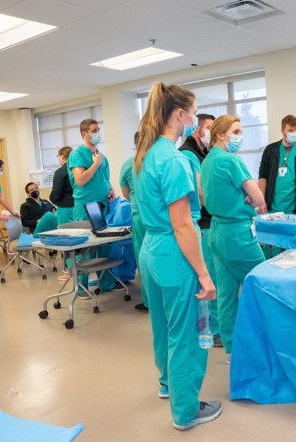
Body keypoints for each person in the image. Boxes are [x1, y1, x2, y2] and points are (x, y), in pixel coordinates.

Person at [132, 82, 221, 431]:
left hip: (151, 250)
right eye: (194, 112)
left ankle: (168, 384)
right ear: (180, 114)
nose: (197, 119)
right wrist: (204, 274)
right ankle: (186, 411)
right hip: (174, 252)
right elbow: (183, 225)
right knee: (186, 334)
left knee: (163, 325)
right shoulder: (173, 160)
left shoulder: (146, 154)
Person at [201, 115, 267, 365]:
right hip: (238, 235)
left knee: (226, 295)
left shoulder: (208, 160)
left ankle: (231, 350)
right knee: (262, 285)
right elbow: (259, 199)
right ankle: (264, 343)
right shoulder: (231, 160)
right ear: (220, 135)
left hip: (216, 231)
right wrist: (249, 200)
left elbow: (206, 197)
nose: (240, 136)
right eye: (236, 131)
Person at [179, 113, 222, 346]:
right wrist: (225, 209)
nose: (212, 133)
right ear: (198, 130)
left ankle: (217, 326)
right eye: (209, 128)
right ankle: (212, 330)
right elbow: (201, 192)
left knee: (217, 279)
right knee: (209, 279)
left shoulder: (205, 153)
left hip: (210, 222)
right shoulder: (188, 154)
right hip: (202, 223)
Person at [67, 119, 116, 293]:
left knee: (105, 245)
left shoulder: (102, 156)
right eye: (94, 130)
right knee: (85, 248)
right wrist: (95, 164)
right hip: (86, 206)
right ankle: (81, 288)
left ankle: (106, 284)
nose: (97, 133)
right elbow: (80, 180)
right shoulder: (77, 154)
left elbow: (105, 178)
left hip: (103, 205)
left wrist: (111, 189)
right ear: (84, 134)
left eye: (98, 129)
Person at [258, 114, 296, 214]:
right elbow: (262, 176)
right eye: (290, 130)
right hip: (273, 208)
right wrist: (261, 201)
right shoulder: (270, 150)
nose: (294, 133)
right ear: (282, 131)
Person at [120, 131, 149, 313]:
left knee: (142, 256)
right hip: (159, 216)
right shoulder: (157, 161)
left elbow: (125, 193)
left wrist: (138, 204)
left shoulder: (128, 164)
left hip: (139, 216)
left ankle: (148, 300)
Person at [49, 146, 74, 225]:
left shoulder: (60, 172)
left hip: (66, 208)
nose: (58, 158)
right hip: (80, 206)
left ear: (62, 156)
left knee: (66, 231)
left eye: (58, 156)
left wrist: (52, 199)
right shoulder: (79, 169)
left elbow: (56, 193)